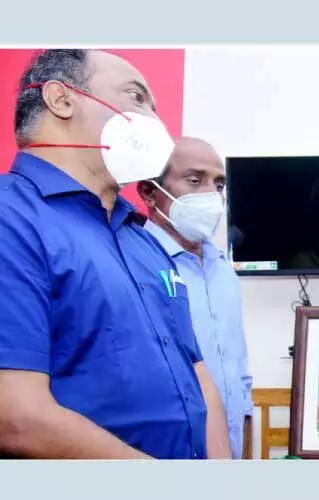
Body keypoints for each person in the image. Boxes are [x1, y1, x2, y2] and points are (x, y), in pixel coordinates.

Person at [0, 49, 230, 459]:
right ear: (61, 100)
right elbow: (17, 417)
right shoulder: (12, 218)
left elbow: (198, 376)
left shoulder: (143, 241)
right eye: (136, 97)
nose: (155, 122)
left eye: (155, 108)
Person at [137, 137, 253, 459]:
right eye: (194, 180)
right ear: (149, 192)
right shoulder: (134, 264)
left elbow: (239, 375)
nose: (211, 195)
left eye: (219, 184)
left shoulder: (223, 269)